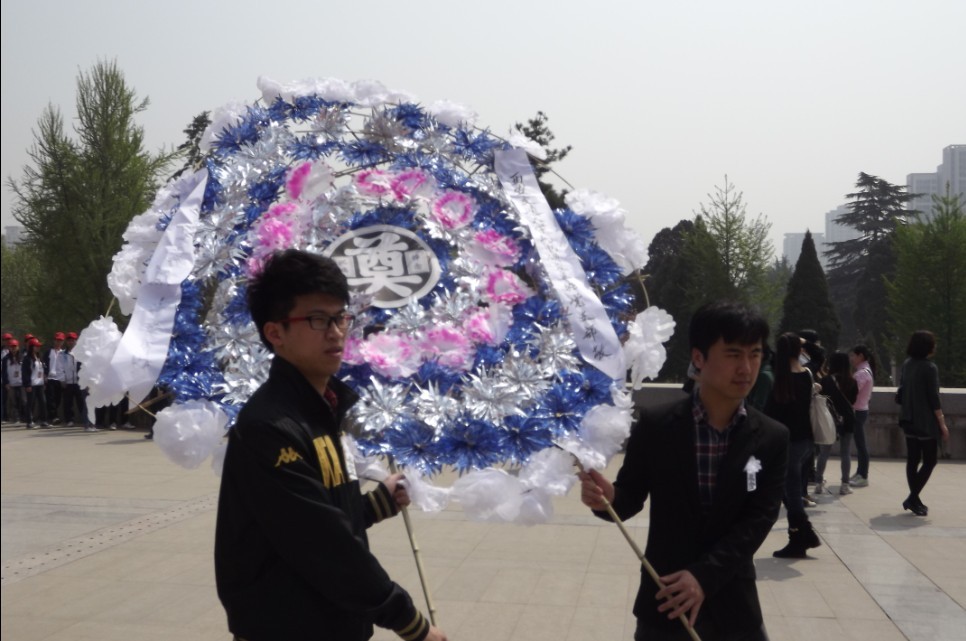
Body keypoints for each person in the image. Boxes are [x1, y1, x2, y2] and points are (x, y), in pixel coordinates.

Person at [214, 249, 447, 641]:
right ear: (275, 333)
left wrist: (378, 504)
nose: (336, 331)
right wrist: (411, 623)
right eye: (317, 319)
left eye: (341, 317)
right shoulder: (269, 427)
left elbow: (325, 510)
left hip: (336, 624)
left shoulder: (324, 409)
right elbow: (323, 543)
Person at [579, 300, 787, 641]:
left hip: (734, 609)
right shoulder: (657, 425)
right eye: (733, 354)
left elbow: (758, 520)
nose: (746, 368)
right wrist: (608, 497)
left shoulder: (772, 437)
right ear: (698, 358)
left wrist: (703, 577)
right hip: (666, 602)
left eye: (755, 354)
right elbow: (629, 497)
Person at [765, 332, 821, 559]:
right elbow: (819, 354)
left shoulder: (781, 379)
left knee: (792, 494)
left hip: (789, 443)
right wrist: (804, 342)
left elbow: (770, 415)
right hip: (806, 440)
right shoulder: (807, 374)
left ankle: (798, 539)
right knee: (789, 492)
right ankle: (805, 534)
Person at [896, 330, 950, 516]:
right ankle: (912, 498)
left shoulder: (907, 364)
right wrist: (942, 423)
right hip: (925, 421)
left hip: (907, 417)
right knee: (930, 461)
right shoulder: (929, 368)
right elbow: (933, 398)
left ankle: (915, 499)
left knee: (912, 460)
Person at [814, 352, 857, 496]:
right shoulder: (852, 381)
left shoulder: (825, 381)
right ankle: (844, 485)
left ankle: (818, 483)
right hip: (847, 419)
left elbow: (821, 399)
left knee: (824, 452)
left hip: (829, 418)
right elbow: (853, 401)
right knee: (845, 452)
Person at [847, 345, 875, 488]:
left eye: (853, 355)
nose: (851, 358)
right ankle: (860, 473)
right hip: (861, 410)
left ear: (861, 356)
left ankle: (863, 475)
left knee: (861, 444)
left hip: (858, 411)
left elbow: (851, 392)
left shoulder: (861, 374)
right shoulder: (864, 370)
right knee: (860, 444)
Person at [22, 338, 49, 429]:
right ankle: (29, 422)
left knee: (43, 402)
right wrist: (27, 384)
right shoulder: (27, 359)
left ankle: (44, 421)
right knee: (30, 403)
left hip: (40, 384)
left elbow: (43, 370)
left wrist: (44, 380)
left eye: (39, 346)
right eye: (36, 346)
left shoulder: (40, 358)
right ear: (31, 347)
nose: (38, 348)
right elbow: (25, 373)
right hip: (32, 384)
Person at [44, 332, 67, 423]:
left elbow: (65, 366)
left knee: (58, 399)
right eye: (57, 340)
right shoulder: (49, 352)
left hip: (60, 379)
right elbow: (44, 364)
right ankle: (53, 417)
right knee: (51, 398)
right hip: (50, 378)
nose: (58, 342)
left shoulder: (64, 353)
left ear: (63, 342)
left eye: (60, 341)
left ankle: (51, 416)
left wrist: (65, 378)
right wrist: (45, 375)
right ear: (54, 341)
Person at [2, 339, 25, 424]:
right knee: (13, 401)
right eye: (11, 347)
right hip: (11, 383)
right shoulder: (6, 359)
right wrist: (6, 382)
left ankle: (23, 417)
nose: (13, 349)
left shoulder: (22, 357)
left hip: (21, 382)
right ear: (9, 348)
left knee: (22, 400)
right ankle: (16, 418)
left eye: (15, 347)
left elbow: (26, 370)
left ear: (18, 347)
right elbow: (4, 372)